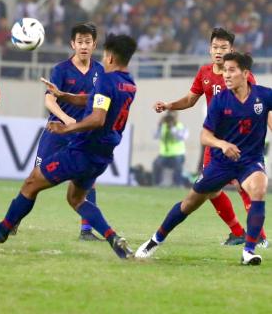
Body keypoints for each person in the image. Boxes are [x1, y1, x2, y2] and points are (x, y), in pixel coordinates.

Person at [0, 34, 138, 259]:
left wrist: (66, 128)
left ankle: (2, 229)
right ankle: (113, 238)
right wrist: (64, 96)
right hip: (102, 155)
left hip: (82, 150)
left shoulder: (105, 80)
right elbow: (94, 99)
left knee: (32, 183)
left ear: (109, 57)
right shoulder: (129, 84)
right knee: (76, 199)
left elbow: (98, 118)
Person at [136, 52, 270, 266]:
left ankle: (249, 250)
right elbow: (204, 136)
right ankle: (155, 240)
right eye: (225, 70)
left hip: (249, 161)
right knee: (189, 204)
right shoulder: (219, 101)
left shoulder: (264, 96)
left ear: (245, 74)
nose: (226, 75)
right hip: (220, 163)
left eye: (231, 70)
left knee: (259, 188)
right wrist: (223, 144)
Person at [34, 23, 105, 241]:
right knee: (35, 178)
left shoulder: (100, 71)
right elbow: (49, 98)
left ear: (94, 44)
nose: (84, 46)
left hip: (82, 134)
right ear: (73, 44)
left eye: (88, 42)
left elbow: (101, 102)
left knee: (88, 180)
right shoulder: (61, 69)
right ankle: (14, 220)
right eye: (80, 42)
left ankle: (86, 230)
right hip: (57, 131)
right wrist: (65, 119)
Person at [152, 111, 189, 187]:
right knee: (156, 164)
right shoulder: (163, 126)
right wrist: (159, 125)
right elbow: (155, 136)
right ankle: (156, 184)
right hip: (164, 155)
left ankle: (178, 184)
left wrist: (172, 128)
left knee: (178, 165)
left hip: (178, 154)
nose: (169, 119)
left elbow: (182, 137)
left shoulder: (180, 126)